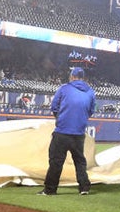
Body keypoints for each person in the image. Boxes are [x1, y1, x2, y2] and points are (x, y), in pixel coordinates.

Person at [39, 67, 96, 196]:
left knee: (56, 161)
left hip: (62, 131)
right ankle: (84, 188)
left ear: (72, 76)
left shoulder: (64, 88)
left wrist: (62, 119)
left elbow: (54, 107)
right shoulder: (90, 92)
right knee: (80, 161)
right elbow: (91, 110)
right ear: (83, 78)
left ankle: (50, 189)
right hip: (79, 133)